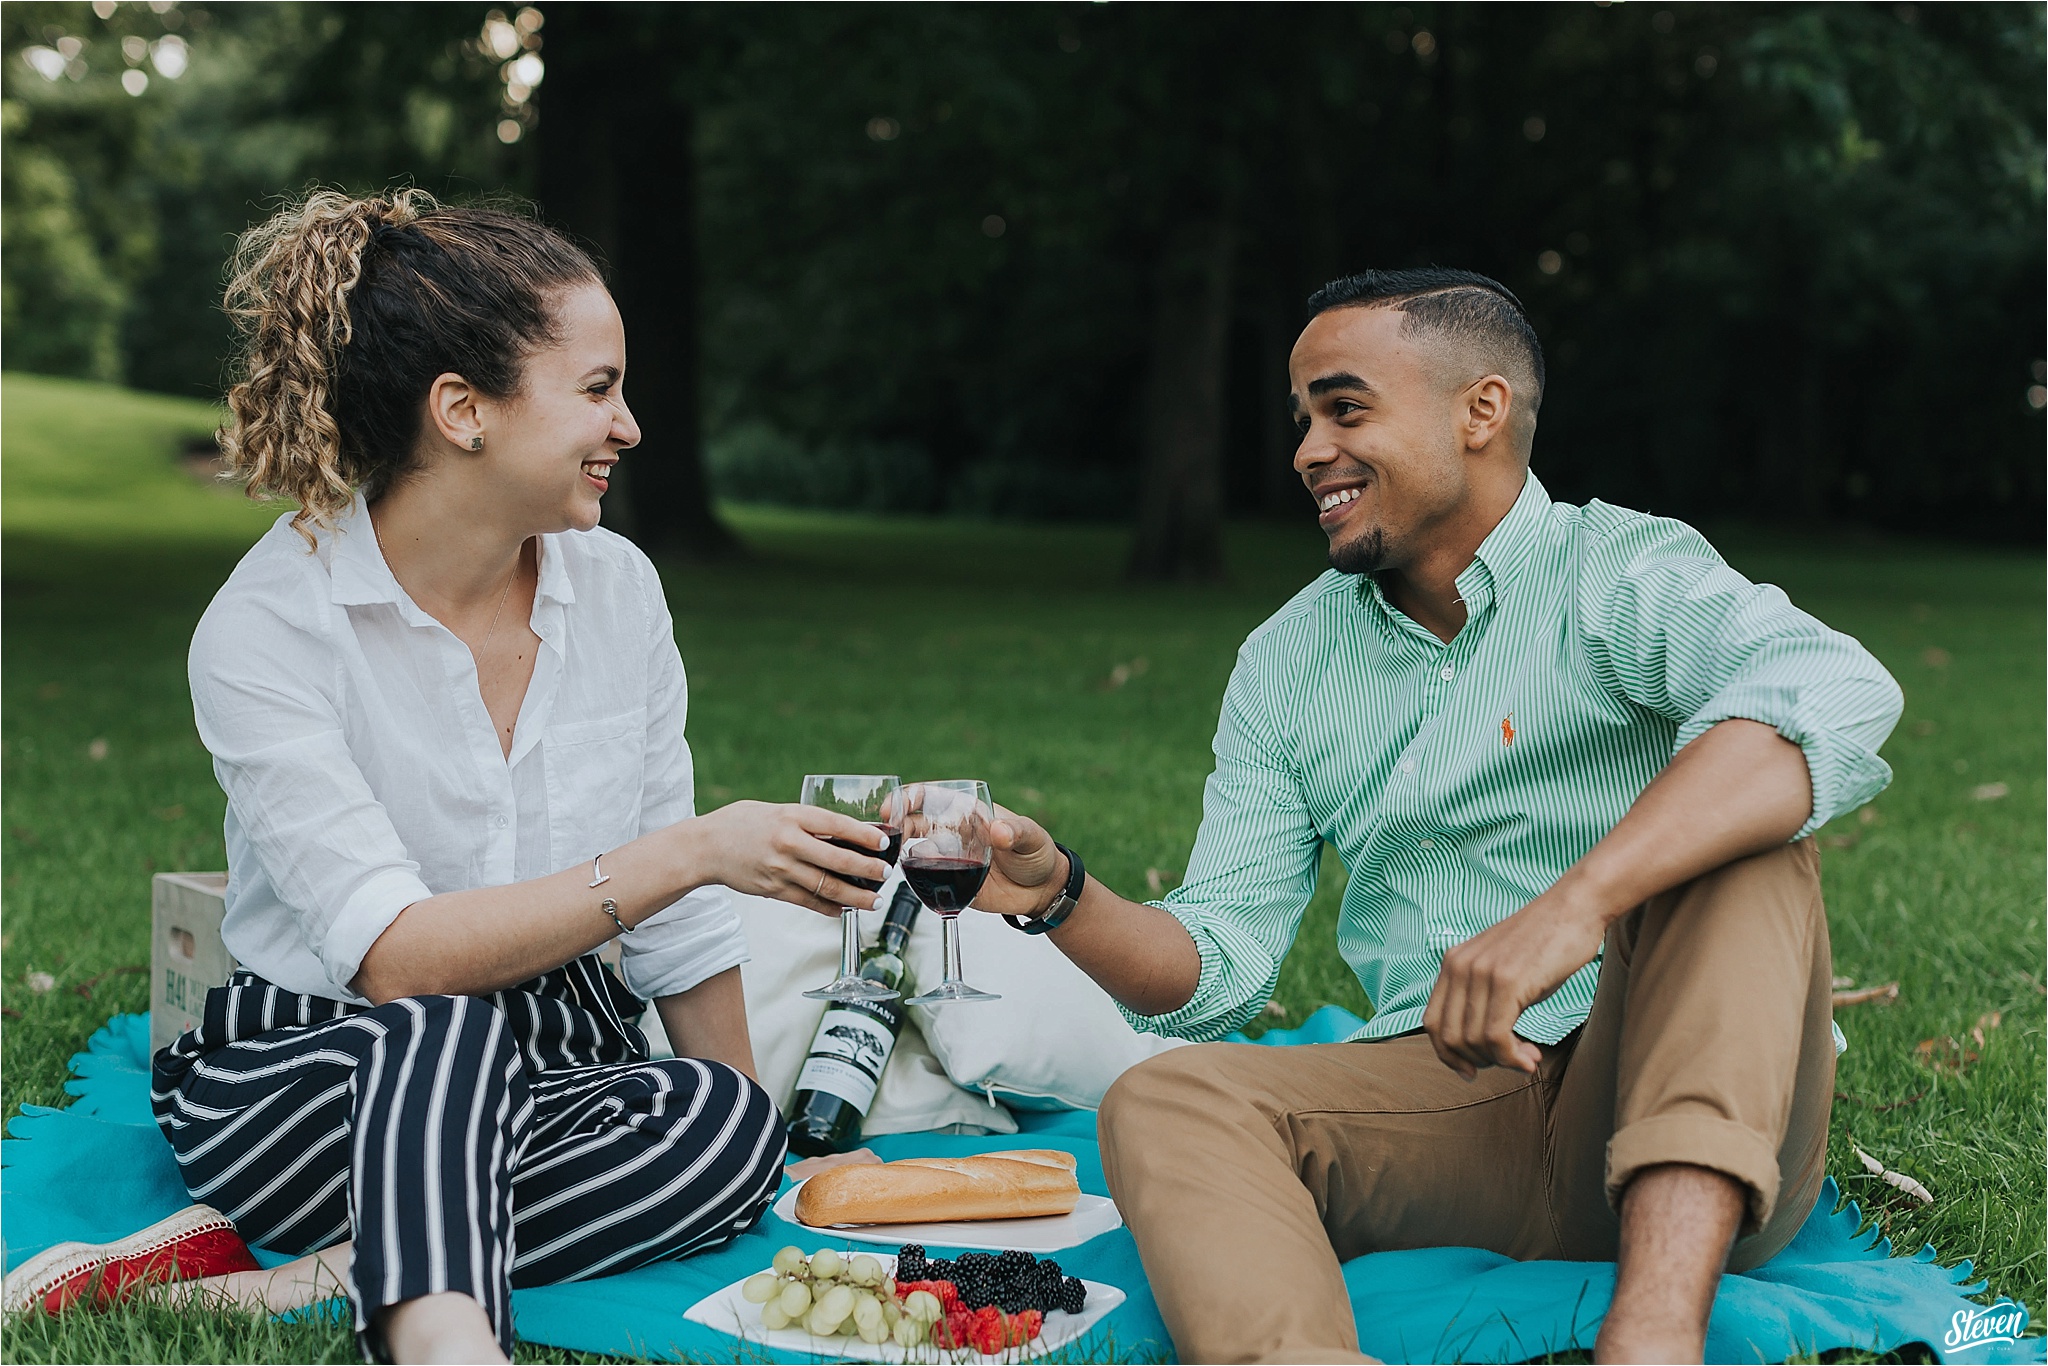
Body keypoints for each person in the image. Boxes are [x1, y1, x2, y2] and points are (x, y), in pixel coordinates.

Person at [973, 268, 1903, 1364]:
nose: (1307, 450)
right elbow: (1216, 967)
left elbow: (1833, 691)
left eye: (1344, 407)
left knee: (1744, 838)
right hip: (1452, 1099)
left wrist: (1573, 907)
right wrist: (1060, 894)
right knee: (1166, 1097)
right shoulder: (1284, 661)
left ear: (1481, 411)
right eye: (1303, 419)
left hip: (1695, 1111)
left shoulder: (1616, 571)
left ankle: (1651, 1336)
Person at [132, 190, 893, 1363]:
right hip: (313, 1066)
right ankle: (442, 1340)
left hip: (552, 1060)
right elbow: (398, 960)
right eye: (597, 390)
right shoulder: (270, 625)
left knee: (724, 1126)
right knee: (443, 1031)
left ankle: (334, 1275)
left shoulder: (620, 590)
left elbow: (674, 938)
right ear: (462, 412)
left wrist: (751, 1147)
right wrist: (685, 850)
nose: (629, 426)